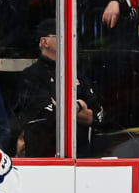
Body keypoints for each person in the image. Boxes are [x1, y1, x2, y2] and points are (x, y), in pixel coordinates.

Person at [12, 18, 103, 157]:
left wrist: (62, 106)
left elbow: (96, 115)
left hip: (80, 157)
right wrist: (79, 105)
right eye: (61, 35)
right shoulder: (31, 75)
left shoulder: (76, 72)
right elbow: (47, 115)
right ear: (44, 42)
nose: (68, 39)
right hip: (44, 157)